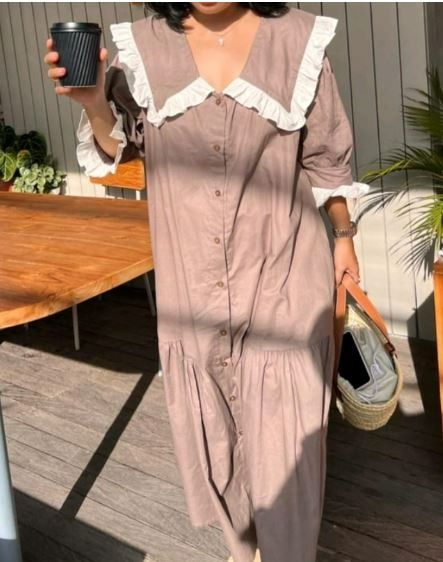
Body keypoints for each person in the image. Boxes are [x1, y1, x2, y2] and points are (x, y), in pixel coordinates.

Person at [45, 3, 369, 561]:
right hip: (191, 295)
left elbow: (325, 161)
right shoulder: (143, 48)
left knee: (288, 453)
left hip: (284, 286)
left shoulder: (297, 39)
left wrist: (344, 238)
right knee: (220, 451)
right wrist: (94, 102)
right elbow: (117, 147)